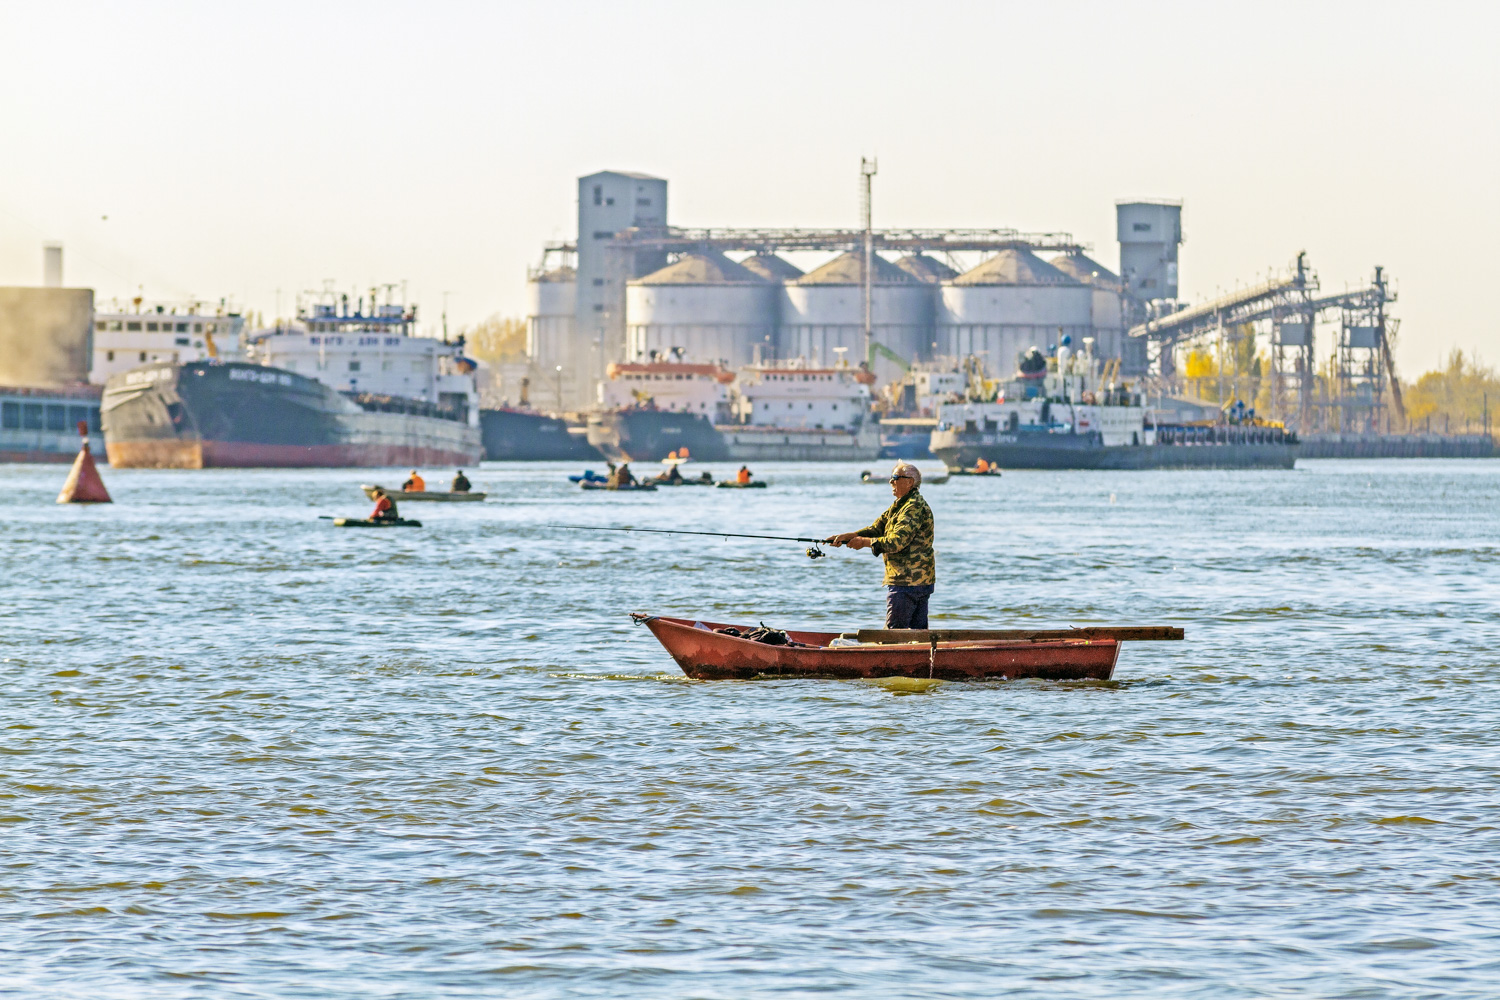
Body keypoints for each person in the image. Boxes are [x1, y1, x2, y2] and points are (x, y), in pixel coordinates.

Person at [825, 462, 935, 629]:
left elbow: (896, 542)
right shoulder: (900, 505)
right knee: (916, 639)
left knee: (894, 637)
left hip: (908, 583)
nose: (891, 482)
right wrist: (851, 536)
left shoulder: (913, 507)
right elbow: (877, 529)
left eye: (895, 478)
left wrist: (863, 543)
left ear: (910, 482)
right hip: (914, 581)